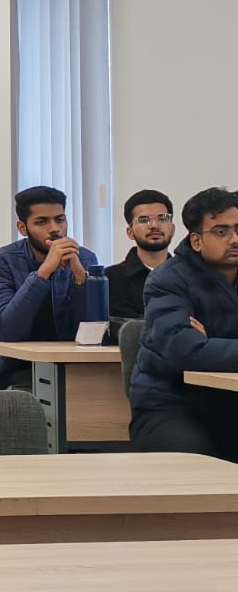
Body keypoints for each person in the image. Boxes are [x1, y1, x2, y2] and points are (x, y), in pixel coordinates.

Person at [129, 187, 238, 460]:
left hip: (231, 402)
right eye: (221, 232)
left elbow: (204, 349)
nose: (234, 239)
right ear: (196, 241)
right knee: (200, 460)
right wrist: (203, 346)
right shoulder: (168, 279)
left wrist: (210, 341)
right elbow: (187, 351)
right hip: (173, 405)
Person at [0, 186, 100, 390]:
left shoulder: (85, 259)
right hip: (12, 367)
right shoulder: (2, 260)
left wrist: (80, 278)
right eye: (42, 222)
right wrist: (43, 272)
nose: (54, 229)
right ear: (22, 228)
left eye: (60, 220)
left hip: (71, 364)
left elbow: (92, 329)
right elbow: (8, 330)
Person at [104, 190, 175, 322]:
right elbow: (126, 328)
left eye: (163, 218)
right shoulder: (110, 279)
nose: (154, 225)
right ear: (130, 232)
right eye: (144, 220)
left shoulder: (189, 275)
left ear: (172, 229)